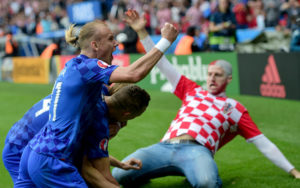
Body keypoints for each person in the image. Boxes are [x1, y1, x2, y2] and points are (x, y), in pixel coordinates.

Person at [112, 10, 300, 188]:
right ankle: (145, 175)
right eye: (209, 74)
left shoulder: (234, 108)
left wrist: (293, 171)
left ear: (228, 79)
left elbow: (263, 143)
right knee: (118, 175)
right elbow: (160, 61)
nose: (211, 78)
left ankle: (194, 171)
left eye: (217, 75)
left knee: (206, 183)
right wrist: (141, 31)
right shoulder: (191, 89)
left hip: (197, 151)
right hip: (164, 147)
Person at [15, 18, 178, 187]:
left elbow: (118, 91)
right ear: (95, 45)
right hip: (53, 158)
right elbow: (134, 74)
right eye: (110, 39)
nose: (115, 44)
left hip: (35, 151)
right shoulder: (87, 67)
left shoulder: (77, 70)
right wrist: (165, 41)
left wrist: (119, 163)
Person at [2, 84, 139, 185]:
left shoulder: (93, 93)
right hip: (20, 150)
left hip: (20, 142)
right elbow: (87, 166)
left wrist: (119, 164)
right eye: (122, 122)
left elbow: (89, 155)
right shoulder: (95, 114)